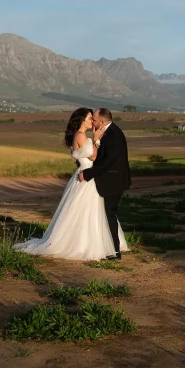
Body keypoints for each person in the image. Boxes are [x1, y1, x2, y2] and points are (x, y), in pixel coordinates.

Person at [14, 107, 128, 261]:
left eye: (92, 118)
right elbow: (93, 157)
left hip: (92, 176)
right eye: (89, 118)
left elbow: (99, 157)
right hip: (87, 177)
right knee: (89, 213)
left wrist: (95, 139)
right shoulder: (80, 136)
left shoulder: (90, 135)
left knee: (98, 213)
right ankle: (86, 245)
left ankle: (105, 246)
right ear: (82, 121)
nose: (92, 121)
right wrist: (95, 139)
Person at [78, 107, 131, 259]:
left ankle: (114, 252)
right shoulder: (108, 131)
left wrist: (88, 173)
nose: (92, 121)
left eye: (93, 119)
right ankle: (109, 249)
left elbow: (108, 161)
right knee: (107, 215)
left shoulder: (113, 134)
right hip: (111, 180)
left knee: (109, 215)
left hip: (113, 181)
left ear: (101, 121)